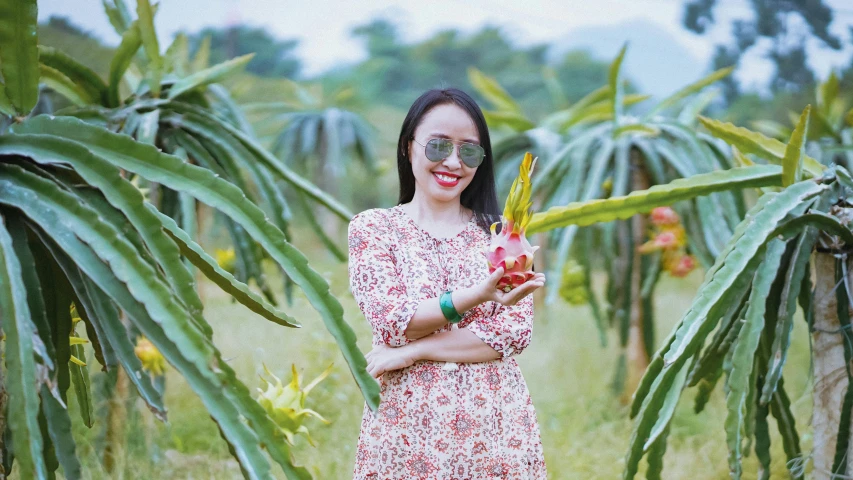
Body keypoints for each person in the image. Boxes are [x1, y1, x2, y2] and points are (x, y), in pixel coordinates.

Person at [348, 88, 547, 479]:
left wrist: (412, 352)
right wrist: (479, 295)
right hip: (406, 436)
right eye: (438, 146)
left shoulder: (502, 235)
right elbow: (394, 320)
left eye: (469, 151)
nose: (453, 162)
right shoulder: (375, 228)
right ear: (409, 147)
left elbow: (512, 333)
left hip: (498, 434)